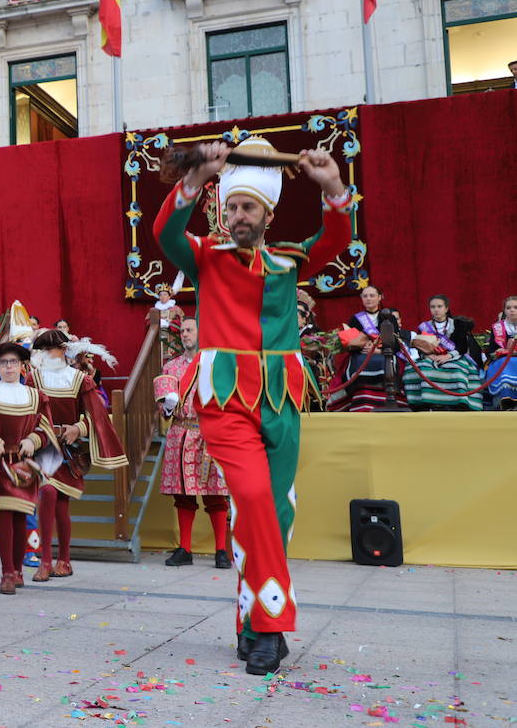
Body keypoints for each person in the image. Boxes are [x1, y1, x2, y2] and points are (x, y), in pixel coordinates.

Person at [155, 137, 350, 675]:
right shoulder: (204, 258)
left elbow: (336, 235)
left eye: (248, 207)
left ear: (267, 212)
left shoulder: (289, 261)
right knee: (256, 498)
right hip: (224, 398)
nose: (238, 215)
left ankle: (247, 618)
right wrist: (196, 181)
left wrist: (332, 185)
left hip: (281, 398)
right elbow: (165, 232)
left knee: (275, 511)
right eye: (231, 206)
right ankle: (269, 626)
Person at [31, 329, 126, 580]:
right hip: (43, 447)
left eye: (49, 349)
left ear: (63, 350)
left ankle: (63, 559)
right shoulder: (34, 379)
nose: (45, 354)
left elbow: (97, 415)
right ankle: (47, 560)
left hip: (70, 450)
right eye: (42, 350)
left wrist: (77, 428)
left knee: (61, 504)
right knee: (48, 492)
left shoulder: (79, 380)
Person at [0, 341, 55, 593]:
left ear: (22, 366)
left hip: (25, 466)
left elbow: (46, 427)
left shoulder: (35, 396)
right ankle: (7, 571)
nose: (9, 367)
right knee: (4, 514)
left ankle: (17, 570)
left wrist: (33, 439)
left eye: (13, 362)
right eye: (3, 362)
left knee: (21, 517)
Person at [153, 318, 230, 568]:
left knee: (215, 494)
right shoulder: (171, 366)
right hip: (181, 432)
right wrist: (167, 406)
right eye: (182, 331)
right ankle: (185, 549)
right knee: (183, 494)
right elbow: (164, 409)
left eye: (189, 330)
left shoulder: (217, 363)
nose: (185, 334)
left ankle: (221, 550)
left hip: (210, 434)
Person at [330, 286, 408, 412]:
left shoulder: (389, 317)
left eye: (372, 295)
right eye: (365, 296)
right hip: (361, 354)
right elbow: (351, 343)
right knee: (359, 362)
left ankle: (388, 400)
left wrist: (380, 351)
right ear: (361, 299)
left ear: (379, 297)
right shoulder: (355, 319)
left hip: (385, 353)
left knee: (385, 362)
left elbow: (396, 343)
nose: (368, 299)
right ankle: (362, 401)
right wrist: (361, 346)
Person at [404, 295, 484, 411]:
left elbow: (462, 347)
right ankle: (428, 403)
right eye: (433, 307)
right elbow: (419, 347)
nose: (436, 309)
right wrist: (427, 355)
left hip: (454, 356)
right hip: (431, 357)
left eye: (439, 306)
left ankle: (456, 403)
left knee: (456, 370)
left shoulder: (457, 324)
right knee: (421, 368)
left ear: (446, 308)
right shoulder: (424, 326)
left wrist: (447, 356)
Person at [488, 296, 517, 409]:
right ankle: (507, 402)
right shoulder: (498, 327)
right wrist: (496, 352)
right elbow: (489, 351)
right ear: (504, 311)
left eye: (515, 307)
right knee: (505, 363)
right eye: (508, 307)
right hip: (502, 360)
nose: (512, 310)